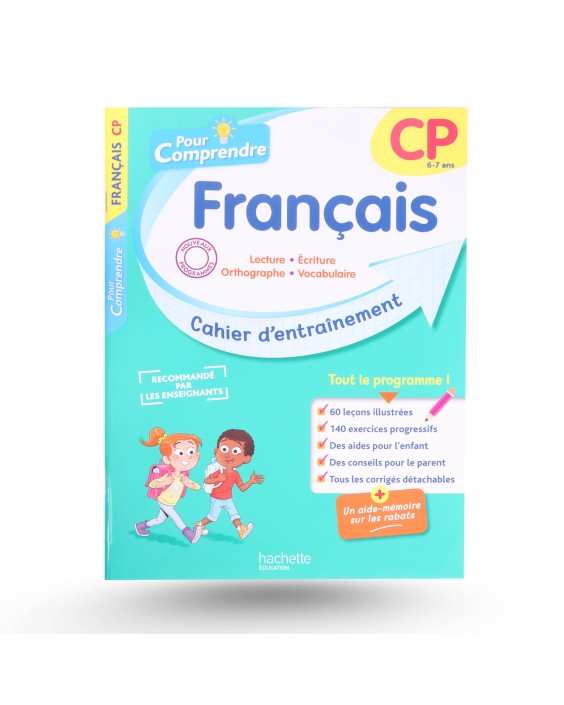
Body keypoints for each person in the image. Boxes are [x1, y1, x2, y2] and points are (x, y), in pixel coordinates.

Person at [134, 427, 203, 544]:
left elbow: (197, 486)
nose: (188, 457)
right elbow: (152, 483)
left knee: (159, 520)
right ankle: (189, 534)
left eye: (191, 452)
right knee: (176, 517)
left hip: (171, 502)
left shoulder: (183, 476)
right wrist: (163, 483)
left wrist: (188, 484)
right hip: (164, 501)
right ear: (167, 459)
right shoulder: (168, 475)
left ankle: (140, 526)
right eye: (180, 453)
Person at [196, 429, 264, 540]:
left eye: (235, 451)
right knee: (212, 517)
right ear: (216, 451)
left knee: (235, 515)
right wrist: (218, 478)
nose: (227, 455)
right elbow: (206, 480)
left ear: (246, 458)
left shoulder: (235, 474)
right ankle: (199, 525)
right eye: (224, 449)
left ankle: (241, 530)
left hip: (228, 499)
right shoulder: (219, 471)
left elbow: (242, 488)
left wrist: (251, 482)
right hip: (216, 499)